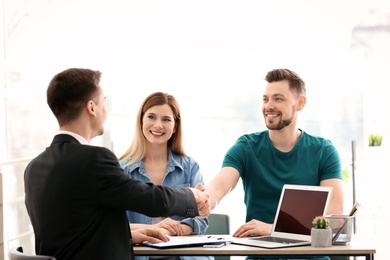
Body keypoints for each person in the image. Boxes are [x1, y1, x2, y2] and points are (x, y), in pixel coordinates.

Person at [24, 68, 210, 260]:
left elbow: (77, 229)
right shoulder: (94, 159)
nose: (106, 109)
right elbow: (149, 198)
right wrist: (191, 196)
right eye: (104, 101)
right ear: (92, 108)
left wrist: (128, 235)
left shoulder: (34, 167)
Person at [201, 68, 345, 260]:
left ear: (300, 103)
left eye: (278, 99)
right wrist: (204, 199)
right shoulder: (246, 147)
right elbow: (218, 188)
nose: (269, 105)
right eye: (265, 99)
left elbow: (334, 219)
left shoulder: (323, 151)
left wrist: (273, 230)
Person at [119, 92, 212, 260]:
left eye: (166, 119)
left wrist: (177, 228)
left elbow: (202, 217)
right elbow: (113, 225)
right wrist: (156, 229)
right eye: (152, 117)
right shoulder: (121, 170)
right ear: (141, 122)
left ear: (175, 126)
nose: (158, 125)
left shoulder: (190, 167)